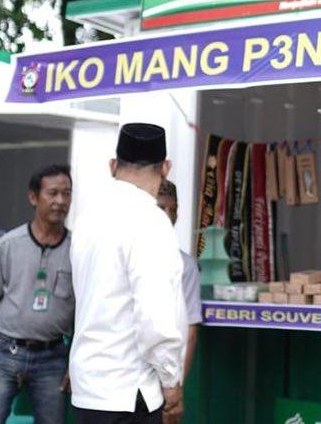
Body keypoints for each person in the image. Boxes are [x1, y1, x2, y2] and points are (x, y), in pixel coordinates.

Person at [70, 123, 186, 424]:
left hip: (88, 386)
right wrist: (171, 380)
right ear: (166, 168)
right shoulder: (151, 221)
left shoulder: (87, 218)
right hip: (128, 390)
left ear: (112, 166)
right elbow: (156, 317)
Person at [0, 164, 74, 424]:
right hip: (4, 352)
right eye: (53, 193)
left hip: (53, 355)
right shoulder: (9, 245)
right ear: (33, 197)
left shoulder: (78, 250)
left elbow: (85, 311)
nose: (60, 201)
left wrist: (74, 364)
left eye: (67, 193)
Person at [156, 179, 202, 382]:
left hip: (164, 372)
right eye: (160, 207)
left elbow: (190, 331)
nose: (167, 215)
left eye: (172, 209)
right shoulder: (124, 255)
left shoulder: (186, 265)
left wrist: (177, 384)